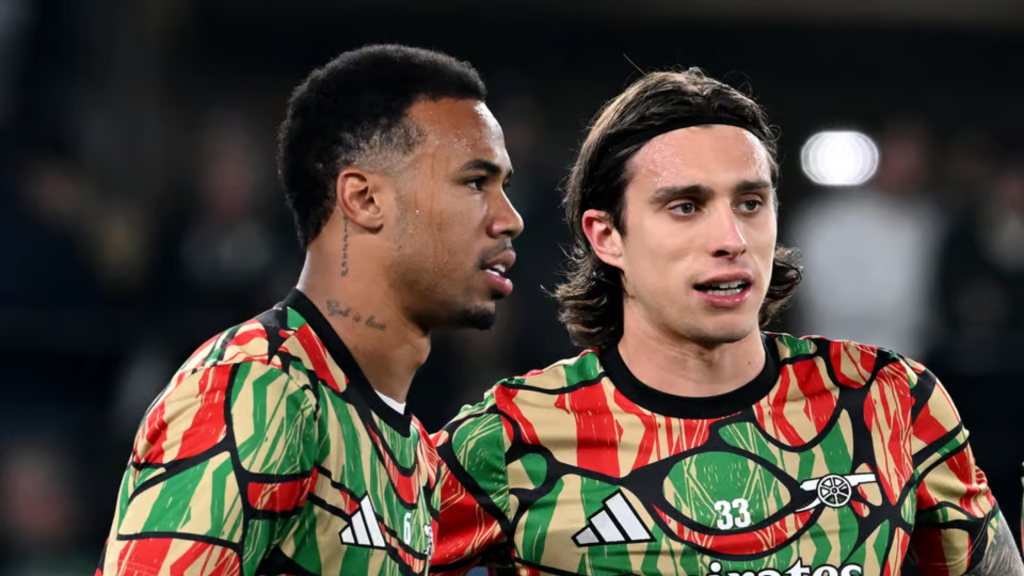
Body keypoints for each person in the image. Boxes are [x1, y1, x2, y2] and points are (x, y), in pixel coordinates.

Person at [430, 69, 1023, 576]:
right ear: (607, 236)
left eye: (750, 203)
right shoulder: (510, 437)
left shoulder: (891, 400)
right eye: (686, 207)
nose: (732, 238)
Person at [97, 44, 523, 576]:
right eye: (475, 182)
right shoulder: (259, 388)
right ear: (364, 199)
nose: (510, 218)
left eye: (504, 186)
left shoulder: (412, 448)